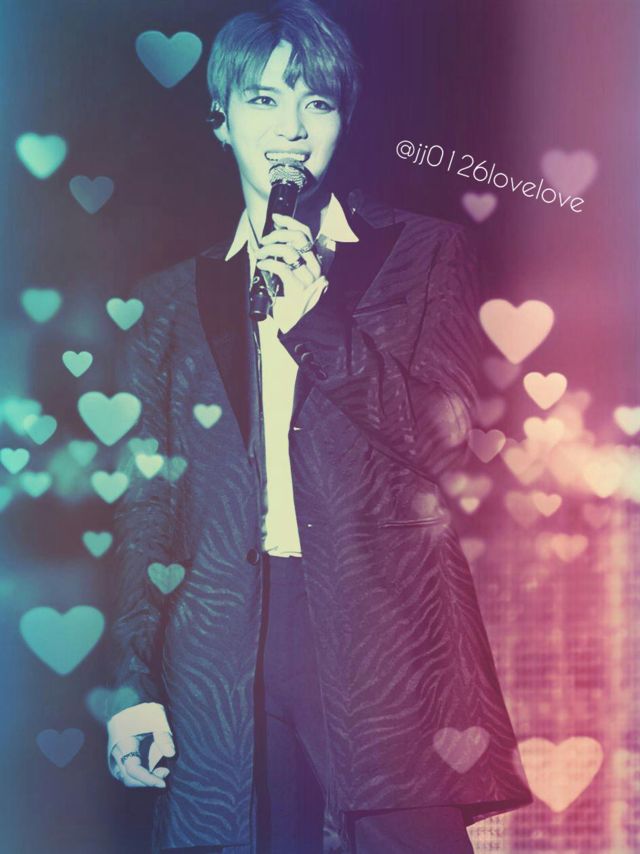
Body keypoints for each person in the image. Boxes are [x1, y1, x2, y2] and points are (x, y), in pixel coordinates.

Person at [104, 1, 533, 852]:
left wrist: (318, 323)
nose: (292, 128)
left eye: (317, 102)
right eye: (264, 100)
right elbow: (148, 510)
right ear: (221, 119)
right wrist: (131, 683)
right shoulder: (168, 302)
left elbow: (448, 439)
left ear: (344, 117)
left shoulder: (423, 254)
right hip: (222, 649)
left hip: (386, 639)